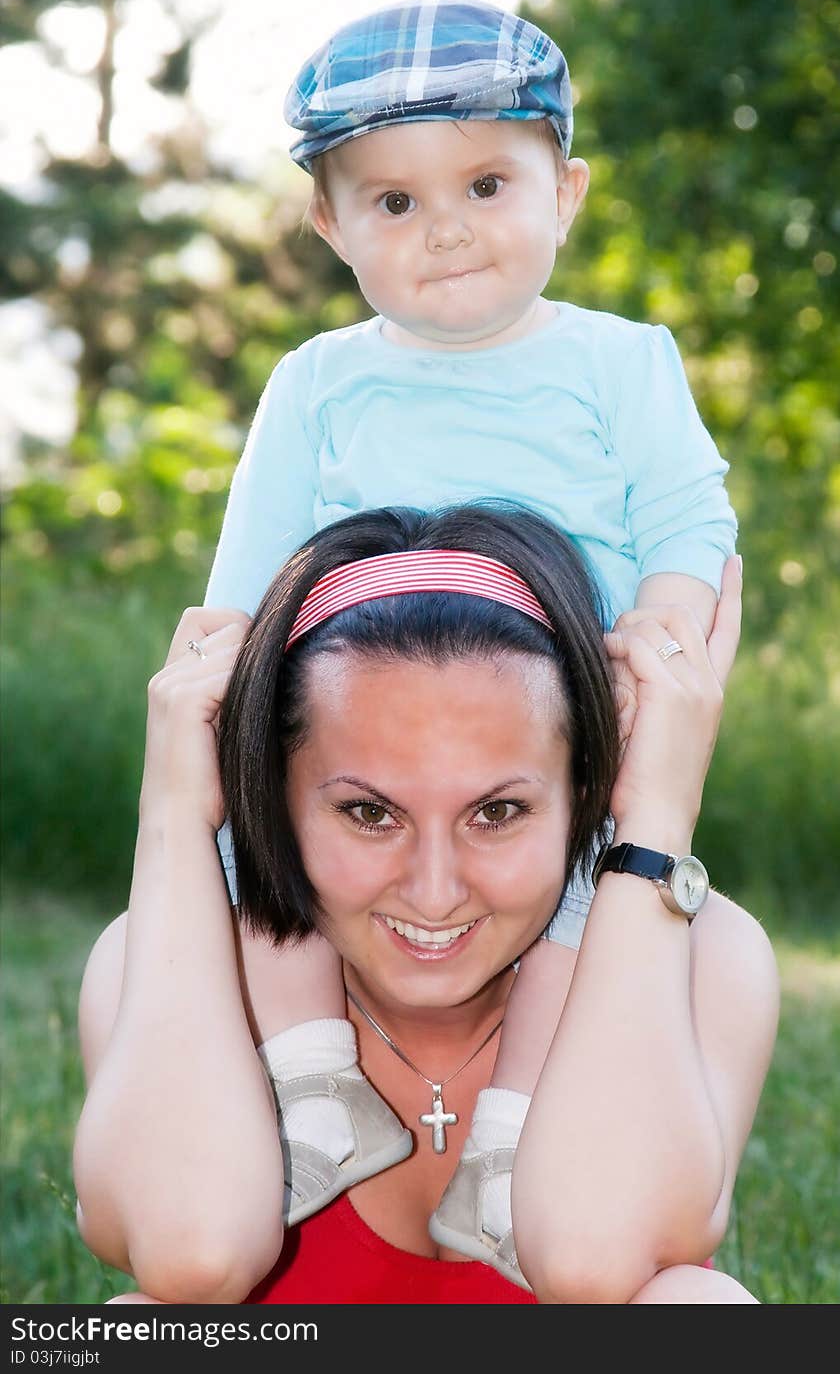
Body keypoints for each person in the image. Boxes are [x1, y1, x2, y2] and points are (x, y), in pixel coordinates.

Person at [197, 0, 741, 1282]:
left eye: (487, 183)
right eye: (392, 202)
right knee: (250, 867)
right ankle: (311, 1084)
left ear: (567, 191)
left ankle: (507, 1147)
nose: (443, 227)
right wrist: (228, 682)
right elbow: (253, 564)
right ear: (330, 224)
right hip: (358, 709)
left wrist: (662, 622)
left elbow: (686, 513)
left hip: (554, 717)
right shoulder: (320, 381)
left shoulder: (619, 363)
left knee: (578, 910)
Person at [74, 503, 777, 1304]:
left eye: (498, 812)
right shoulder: (167, 957)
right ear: (273, 791)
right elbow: (187, 1254)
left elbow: (594, 1261)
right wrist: (171, 815)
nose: (435, 891)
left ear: (584, 789)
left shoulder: (702, 954)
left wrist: (653, 820)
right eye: (371, 814)